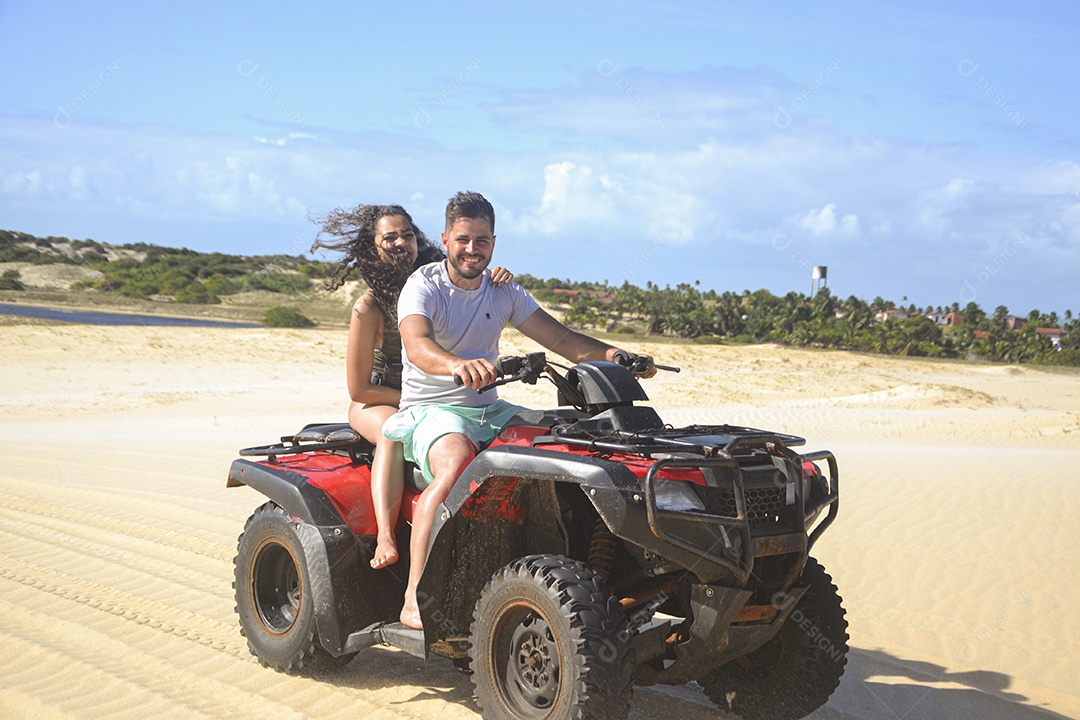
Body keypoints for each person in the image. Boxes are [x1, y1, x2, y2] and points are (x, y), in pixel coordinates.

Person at [387, 191, 654, 628]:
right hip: (430, 409)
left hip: (489, 408)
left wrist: (618, 355)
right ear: (445, 238)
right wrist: (457, 365)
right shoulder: (424, 285)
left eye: (482, 241)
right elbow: (417, 346)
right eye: (463, 239)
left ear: (494, 242)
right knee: (454, 463)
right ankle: (415, 595)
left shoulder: (503, 290)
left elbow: (564, 341)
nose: (472, 249)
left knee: (570, 442)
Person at [310, 204, 512, 571]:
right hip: (378, 398)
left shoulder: (433, 281)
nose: (401, 243)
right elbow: (358, 388)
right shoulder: (368, 306)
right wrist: (409, 401)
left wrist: (495, 276)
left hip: (433, 397)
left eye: (407, 235)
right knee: (393, 432)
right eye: (390, 237)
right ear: (373, 246)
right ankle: (386, 536)